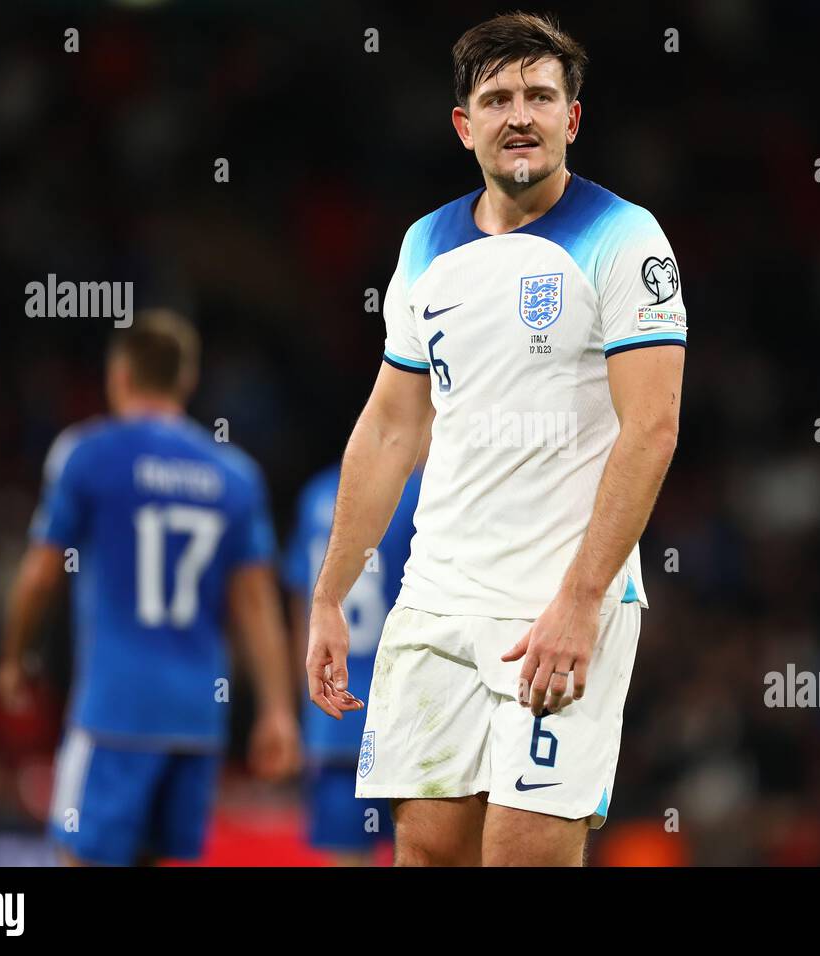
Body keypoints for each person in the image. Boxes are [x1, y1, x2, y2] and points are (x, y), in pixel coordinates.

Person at [305, 13, 687, 866]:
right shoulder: (424, 244)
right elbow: (390, 427)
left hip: (556, 604)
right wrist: (332, 593)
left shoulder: (626, 239)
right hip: (437, 600)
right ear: (464, 124)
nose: (521, 114)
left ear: (572, 118)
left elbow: (652, 429)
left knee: (522, 854)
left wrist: (581, 601)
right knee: (430, 851)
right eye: (498, 98)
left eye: (540, 96)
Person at [0, 310, 299, 866]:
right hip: (195, 720)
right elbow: (256, 603)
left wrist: (15, 657)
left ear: (120, 376)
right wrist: (277, 710)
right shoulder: (234, 476)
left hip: (115, 711)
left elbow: (42, 573)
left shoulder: (86, 453)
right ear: (186, 380)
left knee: (79, 858)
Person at [282, 454, 423, 865]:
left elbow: (300, 611)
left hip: (335, 716)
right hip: (412, 715)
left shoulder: (318, 494)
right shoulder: (427, 491)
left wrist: (304, 706)